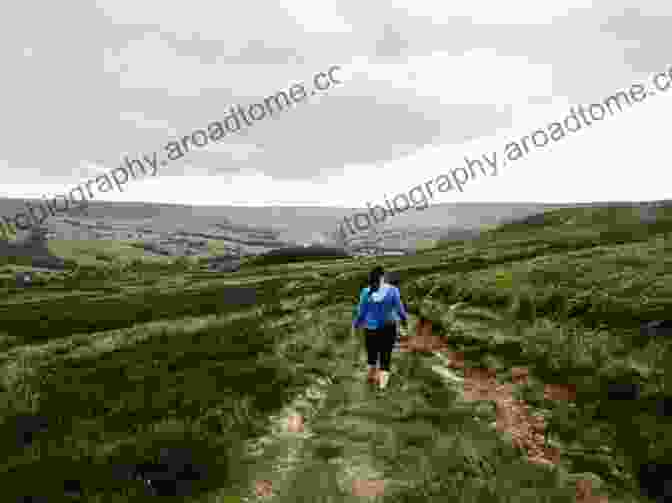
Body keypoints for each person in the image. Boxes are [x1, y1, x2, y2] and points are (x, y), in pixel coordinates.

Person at [353, 266, 408, 390]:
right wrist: (404, 320)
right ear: (383, 277)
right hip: (389, 328)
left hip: (370, 330)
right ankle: (382, 387)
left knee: (372, 356)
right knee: (386, 356)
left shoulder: (365, 292)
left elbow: (361, 312)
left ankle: (371, 380)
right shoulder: (393, 290)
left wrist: (356, 325)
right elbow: (400, 308)